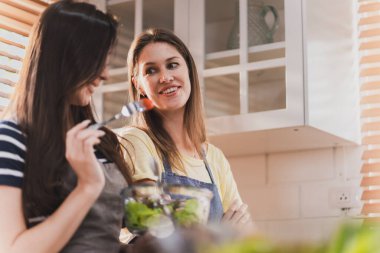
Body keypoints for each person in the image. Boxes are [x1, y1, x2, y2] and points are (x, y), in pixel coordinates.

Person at [0, 1, 133, 252]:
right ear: (65, 58)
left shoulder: (99, 140)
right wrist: (87, 187)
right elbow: (14, 248)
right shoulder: (11, 139)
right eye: (97, 60)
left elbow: (105, 235)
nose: (105, 74)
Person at [119, 28, 251, 226]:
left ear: (188, 69)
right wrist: (220, 235)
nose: (165, 77)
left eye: (172, 65)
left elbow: (244, 234)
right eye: (151, 70)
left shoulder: (214, 158)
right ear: (138, 84)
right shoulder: (136, 141)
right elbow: (153, 226)